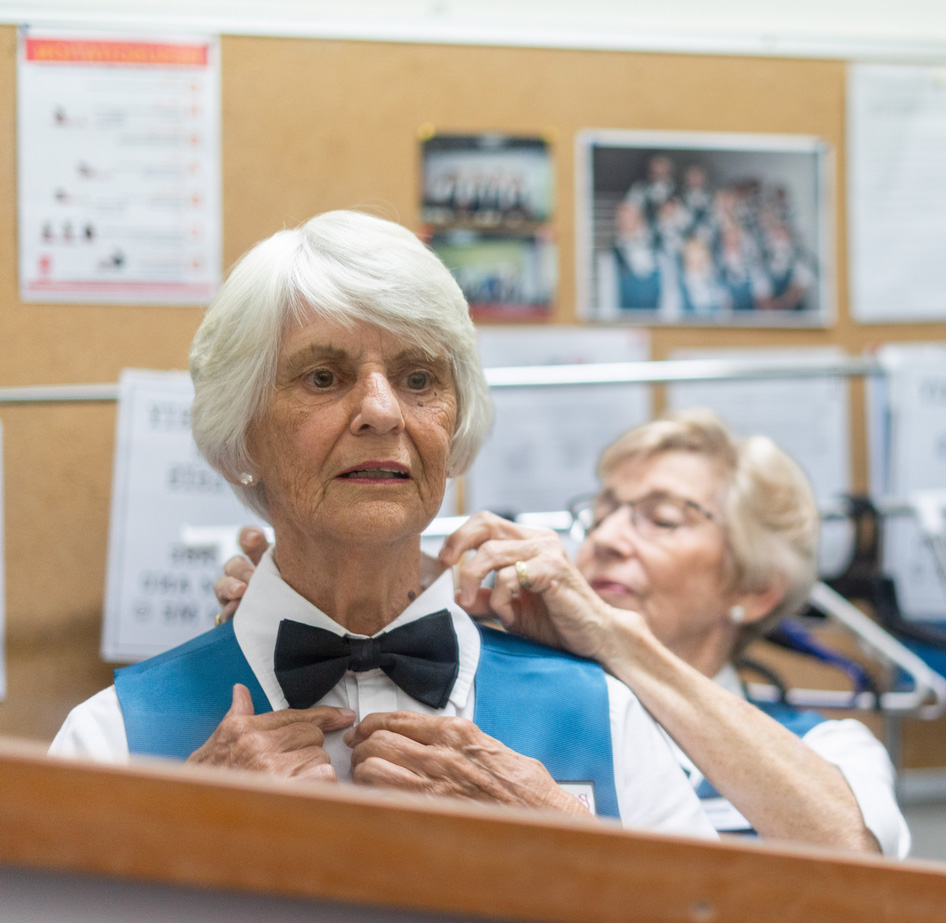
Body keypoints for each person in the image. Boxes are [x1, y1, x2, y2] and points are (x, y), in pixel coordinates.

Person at [49, 210, 715, 839]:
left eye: (419, 378)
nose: (381, 412)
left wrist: (569, 843)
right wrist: (178, 834)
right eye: (322, 377)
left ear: (454, 429)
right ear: (241, 435)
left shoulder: (600, 713)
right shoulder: (112, 738)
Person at [217, 410, 909, 856]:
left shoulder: (826, 747)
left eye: (661, 519)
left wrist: (615, 638)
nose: (606, 539)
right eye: (601, 512)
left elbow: (855, 859)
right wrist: (297, 601)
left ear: (754, 588)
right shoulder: (519, 699)